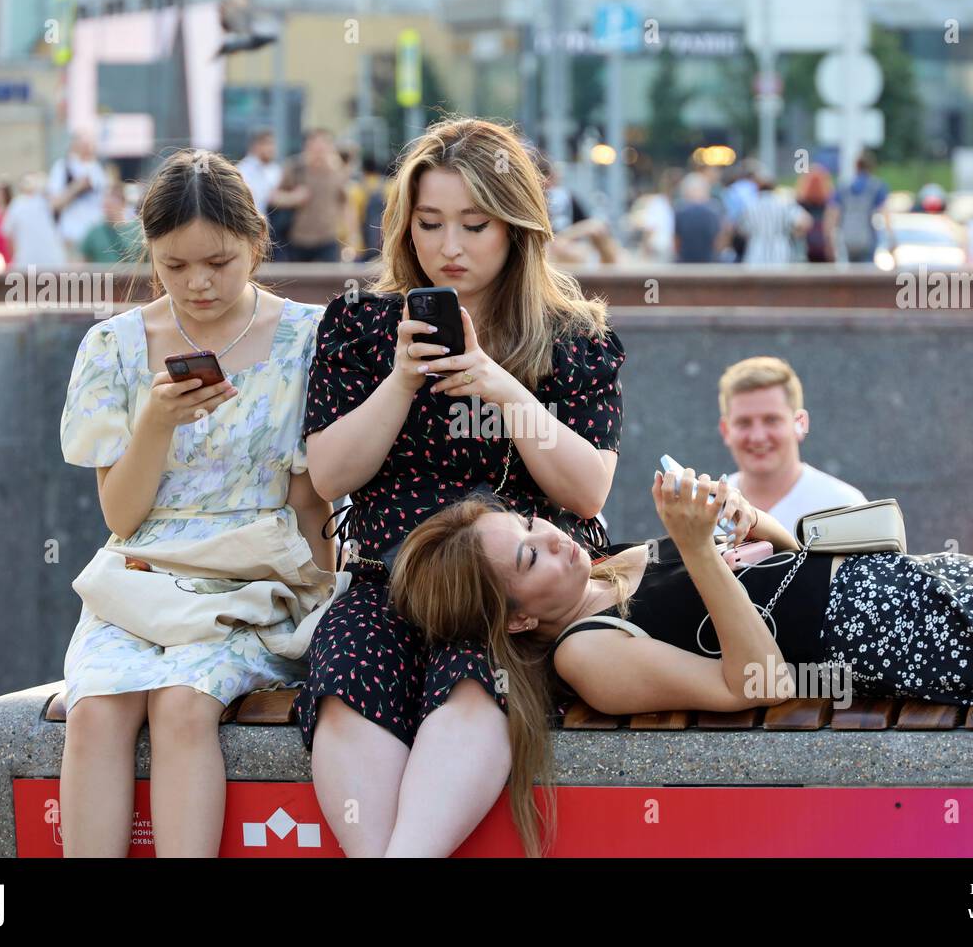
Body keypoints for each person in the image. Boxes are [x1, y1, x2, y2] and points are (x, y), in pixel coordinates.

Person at [388, 469, 973, 859]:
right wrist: (692, 546)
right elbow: (760, 680)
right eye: (529, 555)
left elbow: (781, 570)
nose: (554, 536)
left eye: (529, 522)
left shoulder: (607, 565)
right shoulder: (585, 652)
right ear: (517, 616)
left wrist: (747, 521)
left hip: (896, 582)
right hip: (885, 630)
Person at [296, 116, 625, 859]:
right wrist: (403, 380)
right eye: (430, 224)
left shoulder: (572, 336)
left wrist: (500, 385)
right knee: (346, 675)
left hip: (516, 592)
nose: (450, 247)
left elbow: (586, 494)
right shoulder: (361, 324)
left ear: (516, 227)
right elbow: (331, 475)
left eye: (475, 225)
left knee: (475, 682)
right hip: (391, 579)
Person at [57, 149, 335, 857]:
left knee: (183, 706)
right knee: (95, 713)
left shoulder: (307, 337)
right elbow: (121, 518)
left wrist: (320, 600)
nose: (198, 284)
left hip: (253, 579)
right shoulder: (114, 347)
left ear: (256, 245)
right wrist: (157, 420)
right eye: (173, 266)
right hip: (142, 578)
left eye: (219, 261)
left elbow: (310, 502)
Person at [718, 356, 865, 534]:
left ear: (800, 423)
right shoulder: (708, 512)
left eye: (771, 420)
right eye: (744, 423)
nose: (758, 437)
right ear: (726, 431)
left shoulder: (845, 507)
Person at [270, 128, 348, 262]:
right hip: (298, 240)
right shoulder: (295, 168)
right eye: (315, 146)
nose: (319, 151)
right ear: (307, 146)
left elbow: (345, 203)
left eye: (324, 146)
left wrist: (349, 236)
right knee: (299, 281)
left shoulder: (337, 170)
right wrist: (293, 198)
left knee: (330, 281)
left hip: (328, 239)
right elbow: (274, 197)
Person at [48, 129, 108, 259]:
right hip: (72, 238)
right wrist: (77, 187)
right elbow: (54, 204)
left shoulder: (98, 169)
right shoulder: (63, 167)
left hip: (95, 240)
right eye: (82, 141)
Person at [737, 172, 812, 265]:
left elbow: (742, 230)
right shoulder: (784, 203)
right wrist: (794, 233)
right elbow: (805, 221)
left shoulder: (750, 205)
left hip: (756, 251)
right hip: (780, 250)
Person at [833, 150, 891, 263]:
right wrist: (891, 238)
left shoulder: (843, 187)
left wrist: (830, 241)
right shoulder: (877, 186)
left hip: (846, 238)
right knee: (866, 275)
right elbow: (885, 213)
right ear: (872, 167)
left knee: (849, 275)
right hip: (867, 239)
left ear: (856, 166)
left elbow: (832, 215)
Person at [3, 173, 68, 267]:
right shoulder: (17, 204)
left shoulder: (45, 200)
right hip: (26, 261)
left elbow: (58, 203)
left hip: (51, 261)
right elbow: (8, 235)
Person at [79, 183, 142, 264]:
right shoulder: (94, 233)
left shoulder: (137, 230)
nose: (107, 203)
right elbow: (83, 263)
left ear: (123, 203)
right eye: (106, 198)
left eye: (113, 199)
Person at [673, 172, 722, 263]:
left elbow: (676, 242)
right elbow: (717, 241)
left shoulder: (679, 210)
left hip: (684, 264)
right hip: (709, 263)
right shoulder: (714, 210)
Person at [795, 164, 836, 263]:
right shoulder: (827, 203)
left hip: (806, 246)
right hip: (823, 245)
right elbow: (829, 227)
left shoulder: (800, 203)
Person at [236, 128, 282, 216]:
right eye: (268, 143)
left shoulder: (275, 169)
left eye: (273, 144)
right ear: (256, 146)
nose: (272, 148)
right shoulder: (243, 170)